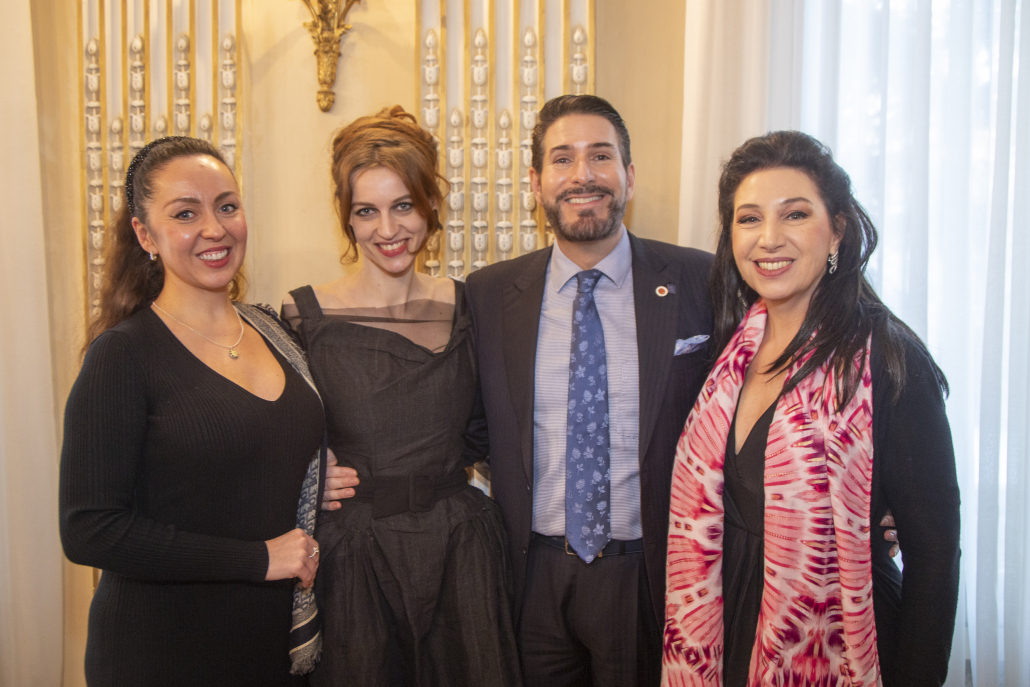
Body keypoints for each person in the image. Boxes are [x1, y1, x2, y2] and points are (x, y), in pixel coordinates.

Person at [662, 131, 960, 686]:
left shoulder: (888, 359)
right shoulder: (728, 352)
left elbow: (934, 558)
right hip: (723, 632)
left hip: (844, 643)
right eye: (749, 219)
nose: (769, 239)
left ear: (837, 230)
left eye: (794, 214)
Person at [461, 94, 714, 686]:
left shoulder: (702, 280)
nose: (583, 175)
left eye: (601, 156)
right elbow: (465, 423)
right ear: (536, 183)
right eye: (562, 159)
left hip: (649, 575)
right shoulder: (489, 293)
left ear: (629, 175)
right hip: (532, 577)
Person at [60, 137, 326, 686]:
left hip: (269, 642)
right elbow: (90, 529)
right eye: (185, 213)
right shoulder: (124, 355)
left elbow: (269, 452)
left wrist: (323, 475)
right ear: (145, 235)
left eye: (227, 206)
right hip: (162, 649)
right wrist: (257, 560)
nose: (214, 228)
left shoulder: (273, 331)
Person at [281, 106, 521, 686]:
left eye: (403, 206)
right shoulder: (301, 315)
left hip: (461, 552)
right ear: (347, 218)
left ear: (430, 204)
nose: (387, 229)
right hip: (354, 559)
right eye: (367, 211)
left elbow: (494, 426)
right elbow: (272, 435)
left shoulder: (471, 305)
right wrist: (309, 473)